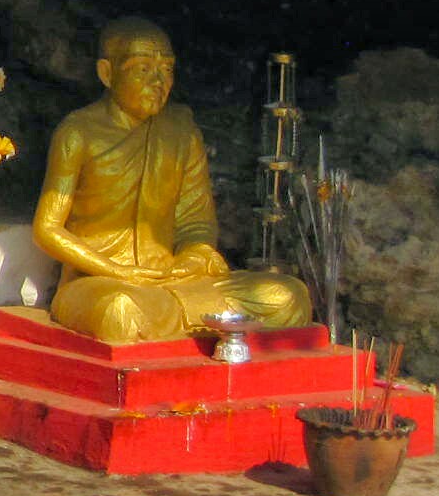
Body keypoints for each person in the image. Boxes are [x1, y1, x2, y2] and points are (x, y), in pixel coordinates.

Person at [32, 18, 310, 344]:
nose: (158, 81)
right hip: (99, 282)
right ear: (107, 73)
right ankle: (198, 321)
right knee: (119, 312)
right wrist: (118, 271)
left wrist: (194, 255)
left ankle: (177, 319)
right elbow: (47, 228)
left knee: (289, 296)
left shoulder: (180, 131)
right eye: (143, 69)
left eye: (167, 70)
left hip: (172, 279)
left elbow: (196, 221)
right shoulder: (78, 132)